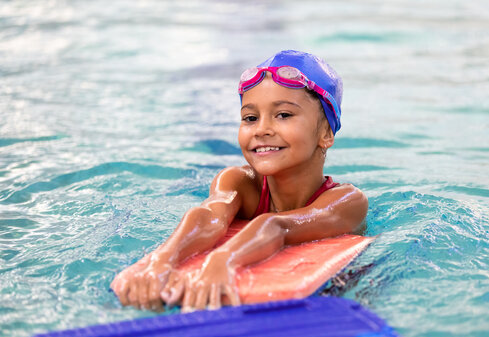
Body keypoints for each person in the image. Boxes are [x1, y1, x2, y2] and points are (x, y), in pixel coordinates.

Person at [110, 50, 369, 312]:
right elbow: (210, 215)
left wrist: (223, 259)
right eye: (250, 118)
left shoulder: (347, 201)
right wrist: (162, 260)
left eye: (284, 115)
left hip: (336, 290)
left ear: (325, 132)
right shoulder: (239, 181)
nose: (261, 129)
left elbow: (277, 226)